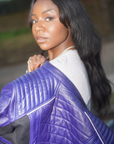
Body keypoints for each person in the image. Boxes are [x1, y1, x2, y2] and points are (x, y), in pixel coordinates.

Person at [0, 0, 114, 144]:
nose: (38, 27)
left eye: (48, 18)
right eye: (34, 20)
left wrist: (33, 75)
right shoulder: (75, 59)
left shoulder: (61, 69)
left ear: (71, 21)